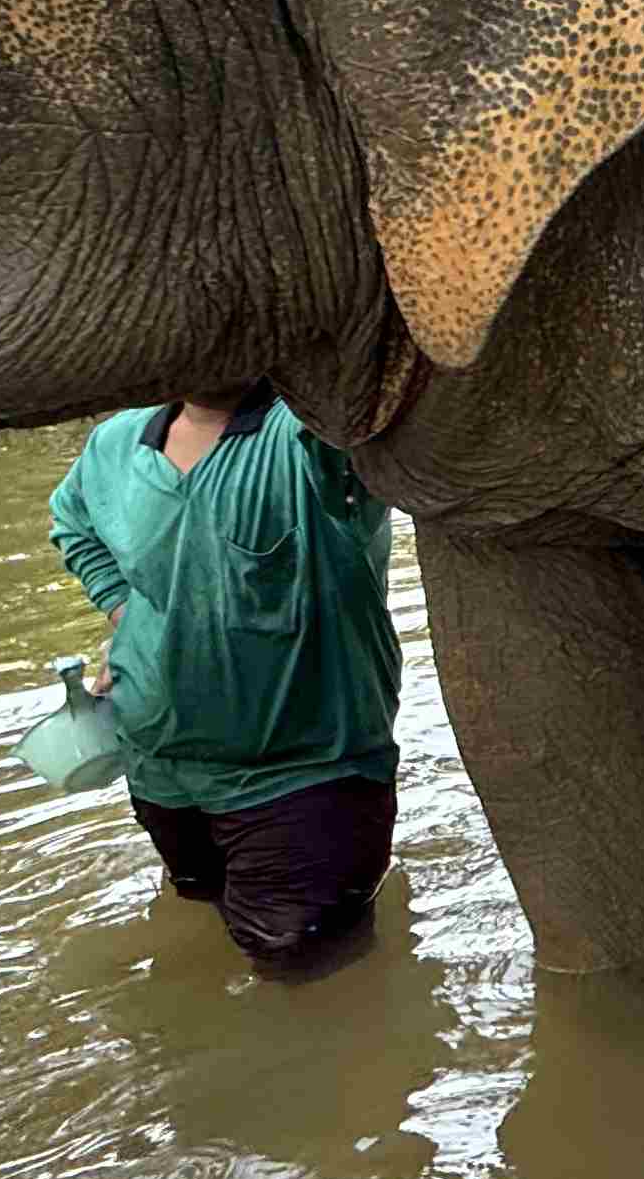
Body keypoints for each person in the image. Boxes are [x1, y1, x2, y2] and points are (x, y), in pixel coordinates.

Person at [48, 382, 403, 976]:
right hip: (161, 775)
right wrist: (124, 610)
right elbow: (72, 521)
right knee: (199, 918)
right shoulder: (116, 444)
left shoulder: (311, 435)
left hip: (308, 777)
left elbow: (369, 428)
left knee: (305, 974)